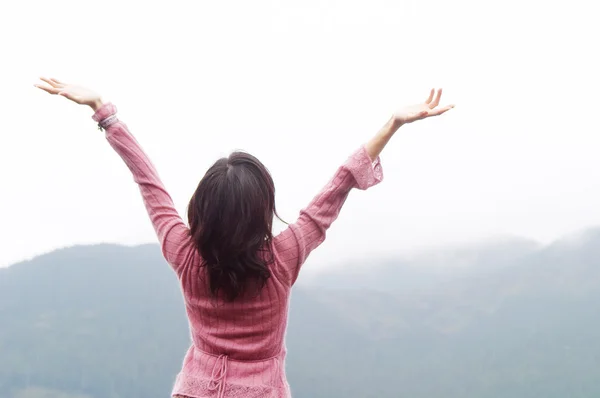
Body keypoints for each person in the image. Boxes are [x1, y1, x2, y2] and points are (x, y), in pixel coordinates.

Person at [35, 77, 454, 398]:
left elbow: (149, 182)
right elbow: (338, 185)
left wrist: (104, 112)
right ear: (261, 211)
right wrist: (393, 124)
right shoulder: (284, 255)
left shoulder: (183, 253)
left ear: (201, 207)